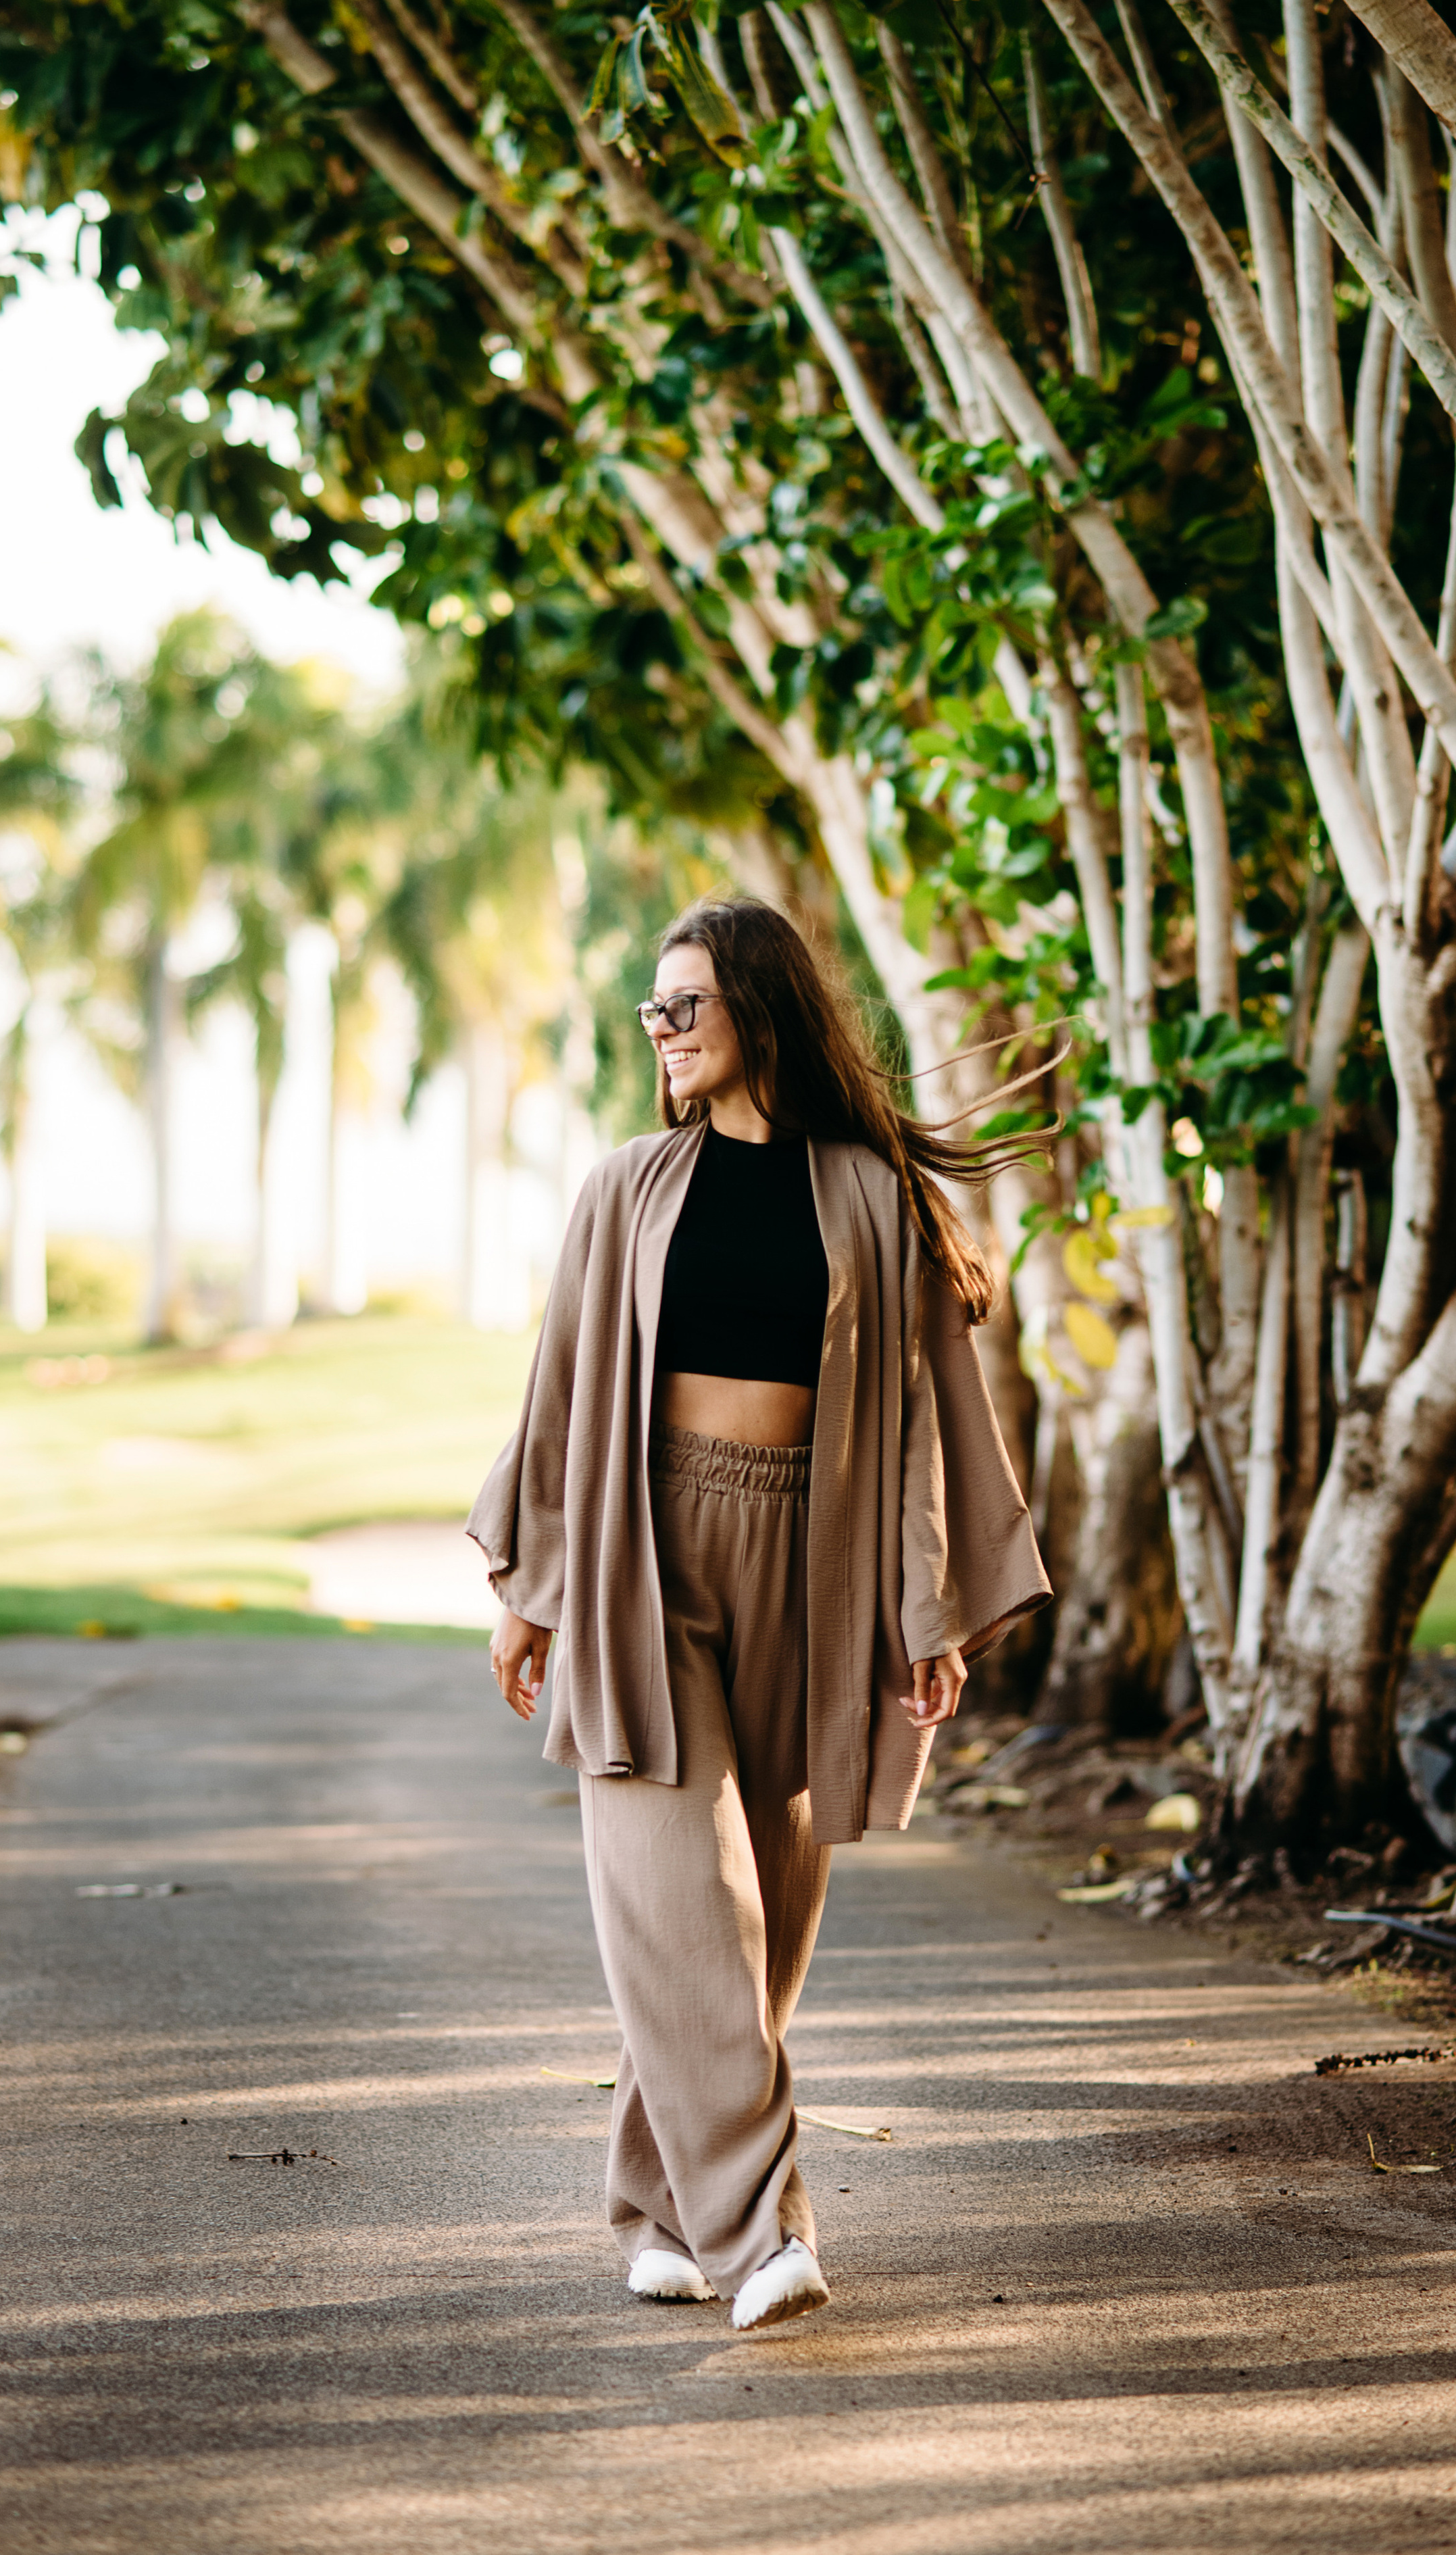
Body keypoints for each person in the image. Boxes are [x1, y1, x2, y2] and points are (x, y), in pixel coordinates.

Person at [468, 896, 1050, 2333]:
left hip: (813, 1560)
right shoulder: (625, 1187)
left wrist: (925, 1607)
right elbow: (561, 1387)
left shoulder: (869, 1194)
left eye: (685, 1005)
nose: (661, 1031)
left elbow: (922, 1420)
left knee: (764, 1919)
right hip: (642, 1553)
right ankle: (762, 2232)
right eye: (652, 1009)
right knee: (691, 1891)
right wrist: (531, 1587)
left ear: (759, 1010)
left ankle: (662, 2210)